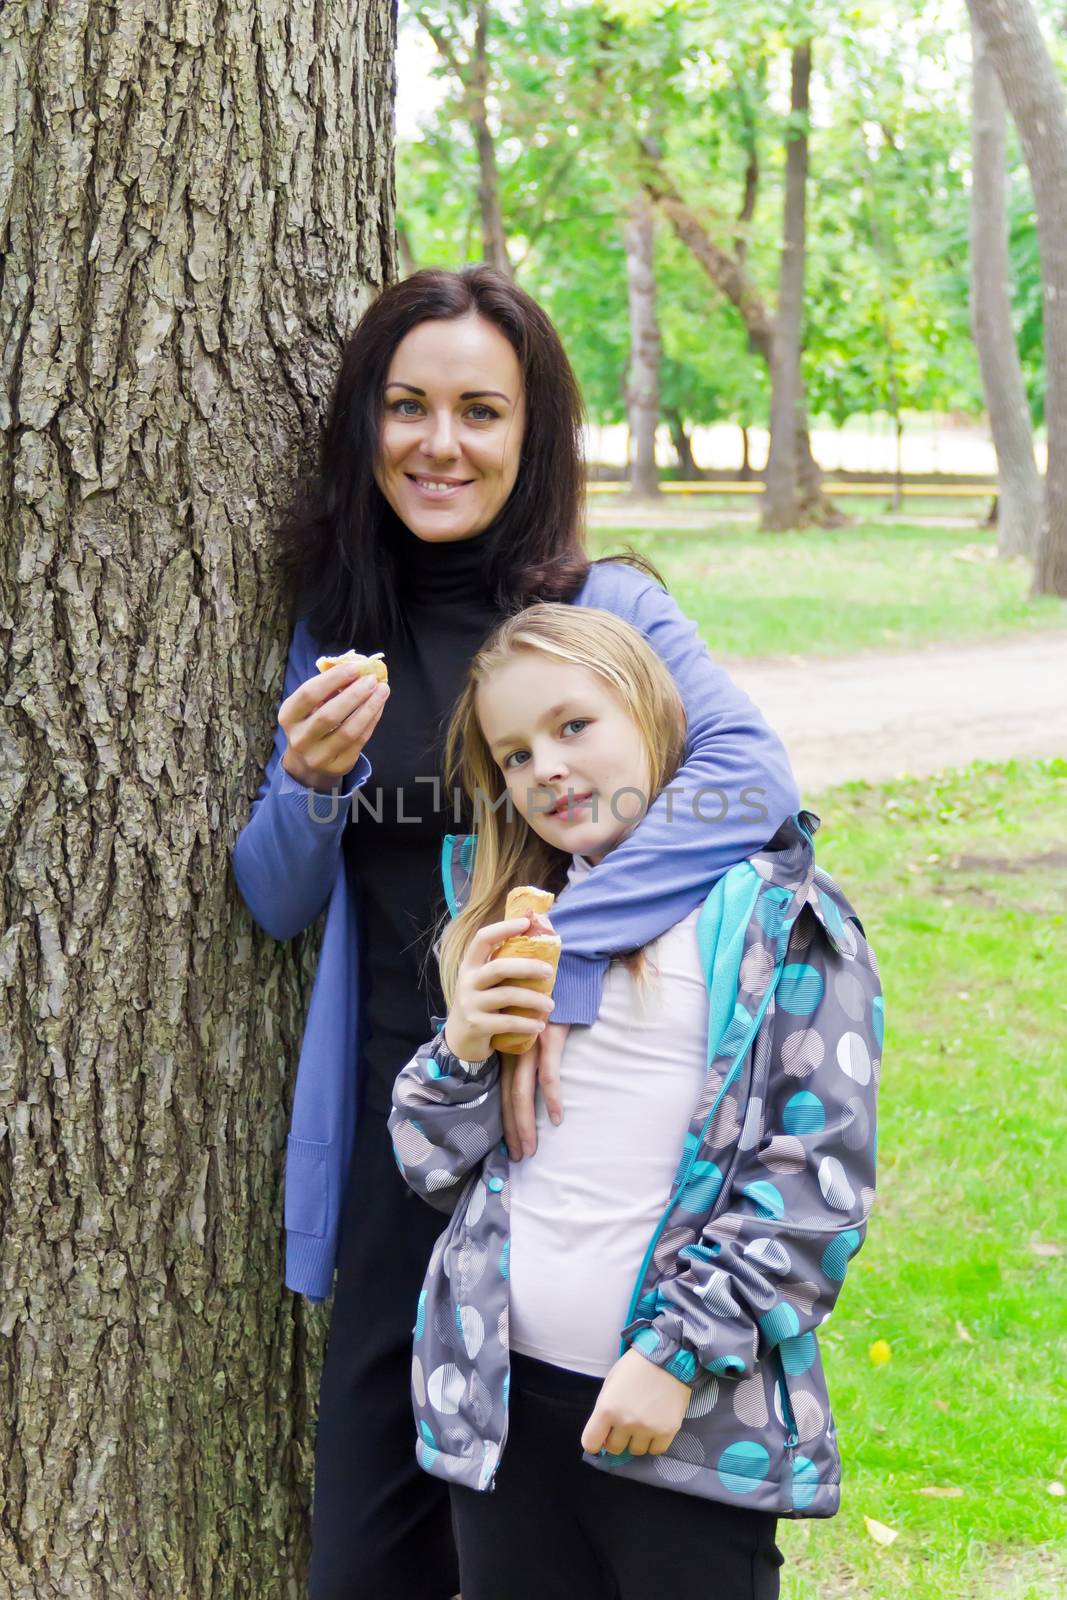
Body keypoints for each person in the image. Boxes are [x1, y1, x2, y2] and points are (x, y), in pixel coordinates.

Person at [231, 266, 802, 1600]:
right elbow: (273, 899)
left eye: (480, 411)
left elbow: (746, 778)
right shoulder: (336, 626)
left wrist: (557, 959)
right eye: (406, 406)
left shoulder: (605, 607)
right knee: (367, 1557)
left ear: (529, 433)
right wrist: (309, 786)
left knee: (553, 1544)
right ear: (362, 424)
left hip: (567, 1145)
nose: (440, 443)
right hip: (401, 1136)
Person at [389, 603, 882, 1600]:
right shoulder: (513, 923)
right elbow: (428, 1159)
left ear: (655, 717)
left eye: (573, 726)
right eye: (515, 754)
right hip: (500, 1401)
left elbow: (812, 1185)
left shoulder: (773, 923)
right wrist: (465, 1043)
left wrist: (673, 1356)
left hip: (683, 1414)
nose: (547, 768)